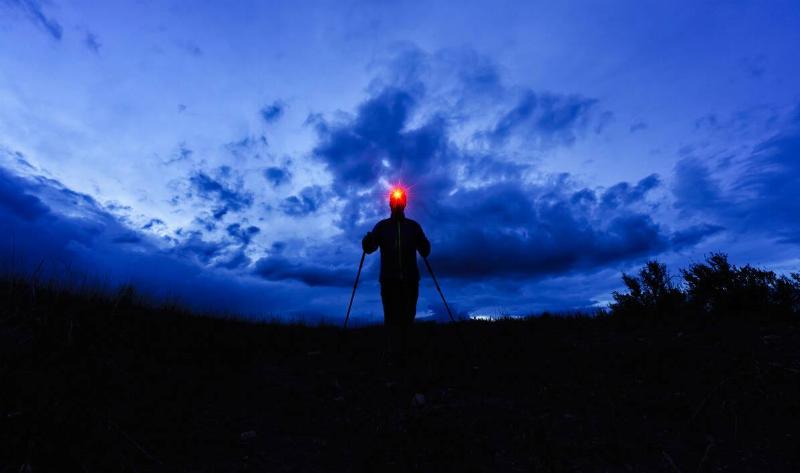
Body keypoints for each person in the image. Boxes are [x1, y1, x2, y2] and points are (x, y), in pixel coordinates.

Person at [362, 187, 430, 360]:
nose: (398, 203)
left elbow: (425, 250)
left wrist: (424, 244)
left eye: (400, 200)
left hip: (410, 279)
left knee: (408, 316)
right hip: (389, 280)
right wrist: (367, 242)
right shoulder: (382, 226)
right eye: (395, 200)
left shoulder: (413, 227)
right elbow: (370, 249)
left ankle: (405, 353)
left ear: (405, 203)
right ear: (390, 203)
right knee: (391, 317)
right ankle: (393, 353)